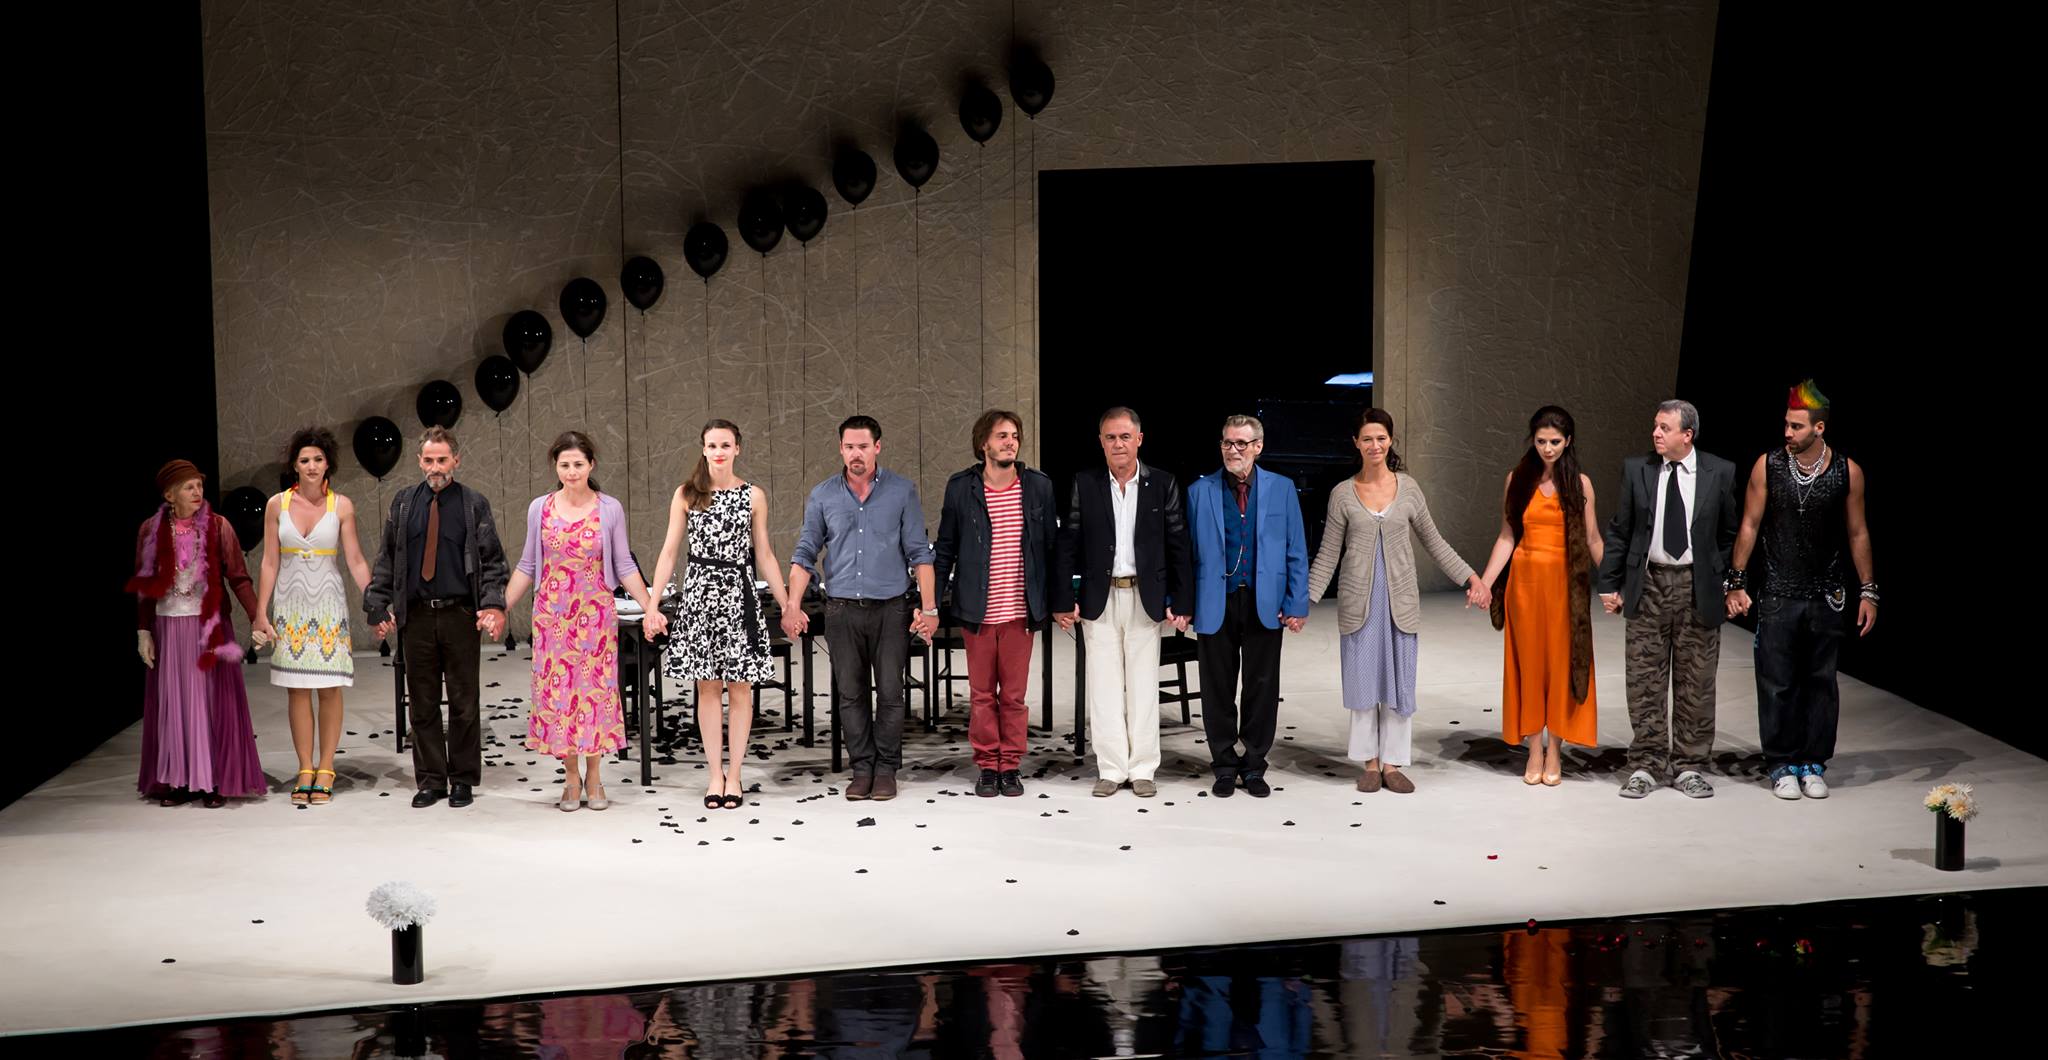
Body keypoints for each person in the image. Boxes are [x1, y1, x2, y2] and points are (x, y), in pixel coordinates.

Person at [1305, 408, 1487, 795]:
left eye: (1381, 438)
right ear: (1356, 443)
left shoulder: (1409, 489)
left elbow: (1434, 542)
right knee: (1362, 683)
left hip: (1399, 603)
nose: (1375, 445)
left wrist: (1471, 577)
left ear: (1390, 441)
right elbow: (1327, 554)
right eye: (1367, 439)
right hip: (1359, 604)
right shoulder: (1342, 494)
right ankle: (1370, 764)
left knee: (1399, 683)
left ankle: (1393, 763)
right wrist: (1302, 600)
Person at [1725, 380, 1877, 800]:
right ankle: (1780, 762)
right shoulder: (1769, 465)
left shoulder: (1847, 471)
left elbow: (1858, 532)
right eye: (1786, 424)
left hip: (1827, 593)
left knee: (1821, 682)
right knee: (1776, 682)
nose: (1787, 432)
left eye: (1796, 426)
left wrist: (1868, 591)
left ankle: (1813, 762)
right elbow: (1750, 524)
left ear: (1819, 428)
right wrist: (1736, 581)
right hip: (1778, 591)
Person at [504, 431, 664, 812]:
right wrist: (500, 607)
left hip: (595, 616)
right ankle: (571, 777)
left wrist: (650, 606)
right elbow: (527, 564)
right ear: (555, 467)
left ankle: (595, 776)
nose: (571, 471)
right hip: (553, 617)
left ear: (591, 465)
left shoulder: (609, 509)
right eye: (564, 465)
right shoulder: (540, 508)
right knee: (561, 696)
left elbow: (624, 565)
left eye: (578, 464)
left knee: (595, 695)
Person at [782, 416, 938, 801]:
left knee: (890, 692)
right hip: (842, 609)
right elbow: (805, 552)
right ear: (841, 449)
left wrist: (930, 608)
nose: (856, 454)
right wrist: (792, 605)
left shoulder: (901, 491)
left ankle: (886, 769)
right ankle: (862, 767)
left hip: (891, 609)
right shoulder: (823, 495)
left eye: (863, 446)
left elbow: (919, 553)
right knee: (850, 693)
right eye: (849, 447)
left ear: (877, 447)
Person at [1596, 400, 1740, 800]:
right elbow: (1621, 529)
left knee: (1696, 682)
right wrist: (1609, 582)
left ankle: (1690, 765)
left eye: (1664, 428)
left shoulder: (1719, 472)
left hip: (1697, 586)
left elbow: (1730, 532)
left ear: (1687, 435)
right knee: (1645, 680)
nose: (1656, 433)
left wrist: (1720, 576)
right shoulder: (1638, 469)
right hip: (1650, 584)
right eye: (1655, 426)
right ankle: (1647, 763)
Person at [363, 426, 511, 809]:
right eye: (428, 460)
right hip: (416, 617)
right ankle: (430, 780)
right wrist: (377, 604)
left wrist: (493, 605)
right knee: (422, 703)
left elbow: (493, 561)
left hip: (459, 615)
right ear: (419, 461)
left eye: (442, 460)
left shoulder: (473, 504)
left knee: (464, 702)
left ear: (455, 460)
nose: (435, 467)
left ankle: (462, 779)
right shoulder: (403, 504)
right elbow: (387, 559)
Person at [649, 419, 790, 810]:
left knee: (740, 687)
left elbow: (764, 553)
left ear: (737, 448)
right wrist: (652, 604)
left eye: (725, 445)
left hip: (738, 595)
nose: (719, 452)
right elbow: (669, 551)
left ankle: (736, 774)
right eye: (712, 445)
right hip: (700, 595)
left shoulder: (752, 495)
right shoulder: (687, 494)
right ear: (703, 448)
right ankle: (715, 773)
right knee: (707, 687)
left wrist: (787, 602)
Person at [1053, 407, 1193, 798]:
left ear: (1139, 440)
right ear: (1101, 442)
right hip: (1099, 599)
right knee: (1104, 687)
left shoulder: (1162, 483)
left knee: (1143, 686)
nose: (1118, 444)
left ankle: (1143, 768)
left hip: (1145, 599)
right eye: (1111, 437)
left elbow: (1178, 543)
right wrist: (1063, 599)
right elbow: (1068, 543)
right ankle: (1112, 769)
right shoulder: (1085, 483)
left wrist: (1182, 600)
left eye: (1125, 437)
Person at [934, 409, 1060, 798]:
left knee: (1014, 697)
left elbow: (1052, 550)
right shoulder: (962, 487)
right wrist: (931, 604)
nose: (1010, 442)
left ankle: (1011, 765)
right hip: (978, 611)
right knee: (982, 695)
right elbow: (945, 550)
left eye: (1014, 436)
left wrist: (1058, 602)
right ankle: (989, 765)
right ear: (983, 443)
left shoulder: (1037, 486)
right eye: (1002, 436)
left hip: (1021, 611)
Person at [1476, 406, 1604, 786]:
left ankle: (1555, 751)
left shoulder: (1580, 484)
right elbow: (1507, 536)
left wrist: (1615, 583)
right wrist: (1485, 582)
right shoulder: (1517, 479)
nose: (1548, 448)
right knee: (1530, 667)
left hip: (1565, 589)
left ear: (1568, 442)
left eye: (1555, 442)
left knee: (1563, 667)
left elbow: (1593, 539)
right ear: (1532, 440)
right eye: (1541, 441)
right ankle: (1534, 749)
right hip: (1525, 588)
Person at [129, 460, 268, 807]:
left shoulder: (219, 526)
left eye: (199, 486)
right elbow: (145, 584)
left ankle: (213, 781)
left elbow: (239, 577)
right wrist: (143, 630)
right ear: (169, 495)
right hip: (168, 627)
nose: (197, 492)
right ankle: (179, 780)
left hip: (209, 629)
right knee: (175, 704)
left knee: (210, 703)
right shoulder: (150, 530)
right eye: (188, 487)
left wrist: (258, 618)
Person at [1185, 414, 1310, 798]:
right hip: (1214, 602)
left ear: (1258, 447)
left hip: (1264, 602)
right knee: (1217, 689)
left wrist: (1297, 603)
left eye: (1241, 443)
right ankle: (1224, 764)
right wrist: (1181, 603)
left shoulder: (1281, 488)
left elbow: (1295, 548)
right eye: (1227, 442)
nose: (1233, 450)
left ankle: (1254, 764)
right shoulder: (1199, 491)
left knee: (1262, 687)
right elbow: (1185, 554)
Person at [253, 427, 373, 805]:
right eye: (304, 459)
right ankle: (305, 767)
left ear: (328, 464)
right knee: (297, 688)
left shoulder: (342, 506)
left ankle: (326, 767)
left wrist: (375, 602)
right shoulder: (277, 505)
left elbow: (355, 559)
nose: (311, 466)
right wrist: (260, 612)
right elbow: (269, 562)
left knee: (329, 687)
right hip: (290, 604)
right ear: (294, 464)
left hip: (328, 605)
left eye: (318, 459)